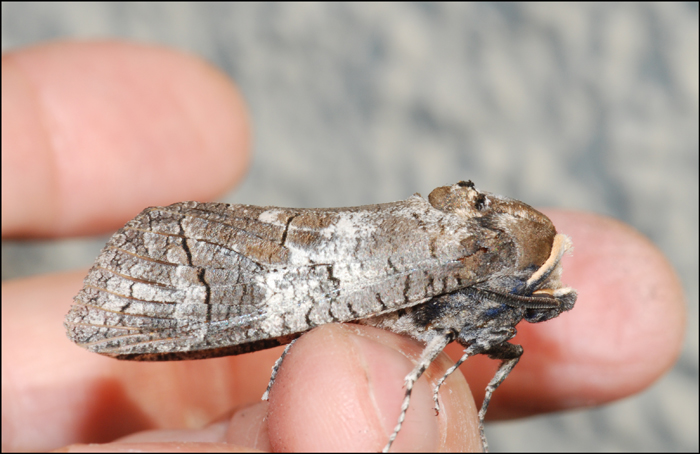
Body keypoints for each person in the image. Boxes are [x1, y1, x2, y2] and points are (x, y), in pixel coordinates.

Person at [1, 41, 686, 452]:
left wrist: (457, 382)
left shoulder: (504, 286)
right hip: (308, 270)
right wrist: (437, 372)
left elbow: (489, 343)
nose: (549, 296)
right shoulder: (475, 254)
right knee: (304, 297)